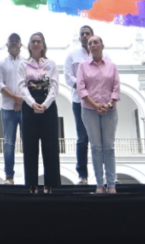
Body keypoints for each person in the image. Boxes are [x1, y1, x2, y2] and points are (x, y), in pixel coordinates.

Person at [77, 35, 121, 194]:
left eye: (96, 42)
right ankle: (100, 185)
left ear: (102, 45)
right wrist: (95, 105)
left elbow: (116, 88)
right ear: (88, 47)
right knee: (96, 147)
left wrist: (108, 105)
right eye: (90, 43)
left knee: (109, 148)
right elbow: (81, 89)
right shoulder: (82, 66)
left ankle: (111, 185)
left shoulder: (112, 66)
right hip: (90, 111)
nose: (93, 45)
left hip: (110, 111)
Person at [19, 32, 61, 193]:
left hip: (48, 107)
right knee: (30, 146)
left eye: (39, 41)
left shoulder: (51, 64)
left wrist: (45, 104)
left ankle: (50, 185)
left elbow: (54, 86)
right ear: (29, 45)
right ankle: (32, 185)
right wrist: (32, 104)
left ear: (43, 45)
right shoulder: (23, 64)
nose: (36, 44)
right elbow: (22, 86)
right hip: (29, 107)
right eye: (33, 41)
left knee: (50, 145)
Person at [64, 25, 96, 184]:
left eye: (87, 33)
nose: (85, 36)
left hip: (97, 101)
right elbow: (68, 77)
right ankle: (82, 175)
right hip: (79, 101)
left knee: (99, 140)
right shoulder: (72, 55)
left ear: (93, 36)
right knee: (82, 139)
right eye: (82, 34)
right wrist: (83, 86)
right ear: (79, 38)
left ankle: (106, 174)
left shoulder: (102, 55)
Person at [0, 33, 25, 185]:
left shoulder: (26, 62)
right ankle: (9, 177)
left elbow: (30, 83)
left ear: (21, 44)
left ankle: (29, 175)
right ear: (7, 45)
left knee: (28, 142)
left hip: (25, 107)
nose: (13, 43)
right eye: (11, 41)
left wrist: (21, 99)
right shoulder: (1, 63)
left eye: (16, 41)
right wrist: (14, 97)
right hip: (7, 108)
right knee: (9, 143)